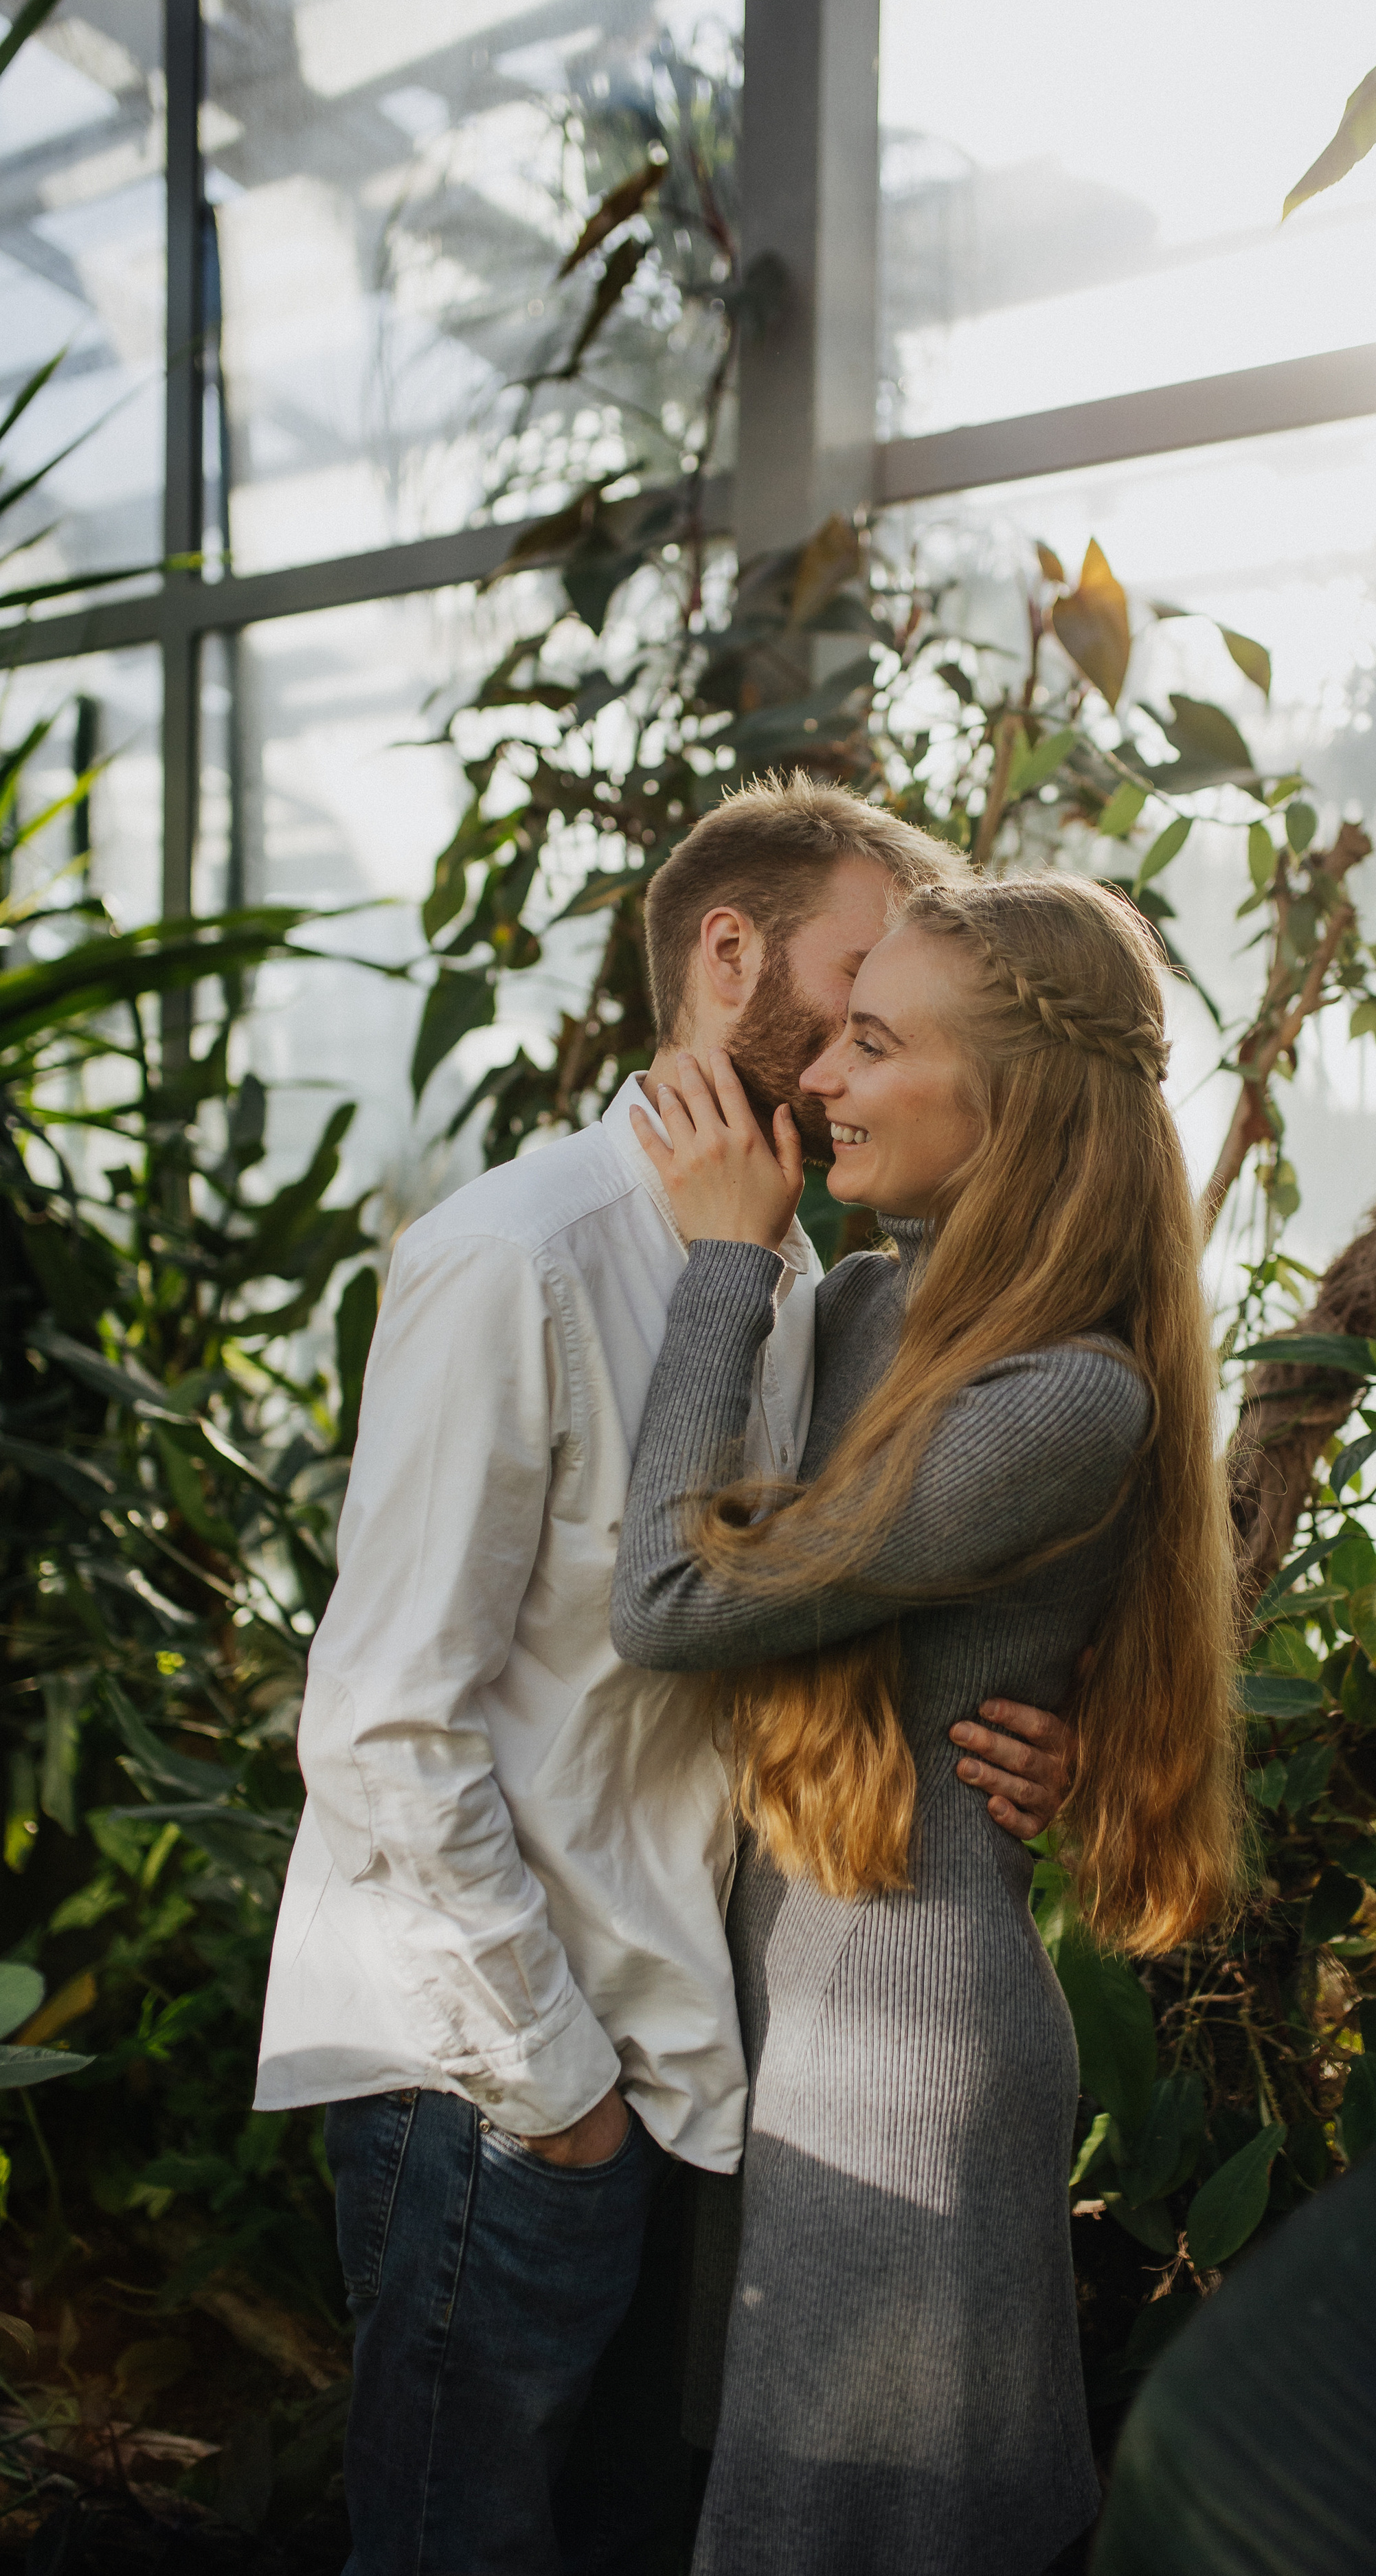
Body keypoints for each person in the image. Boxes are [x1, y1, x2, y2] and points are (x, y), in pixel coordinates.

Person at [253, 776, 1080, 2576]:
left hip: (679, 2067)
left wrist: (1025, 1730)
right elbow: (382, 1722)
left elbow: (805, 1615)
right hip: (498, 2078)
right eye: (855, 986)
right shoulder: (519, 1256)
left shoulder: (783, 1271)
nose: (863, 1045)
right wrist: (553, 2089)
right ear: (728, 954)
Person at [611, 869, 1243, 2576]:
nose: (817, 1075)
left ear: (1015, 1102)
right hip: (791, 2023)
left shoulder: (1062, 1395)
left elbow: (669, 1603)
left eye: (874, 1045)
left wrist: (724, 1265)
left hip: (900, 2053)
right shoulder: (873, 1302)